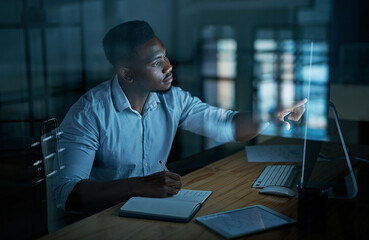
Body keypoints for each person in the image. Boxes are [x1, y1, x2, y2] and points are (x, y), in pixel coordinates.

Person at [55, 20, 306, 213]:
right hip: (107, 220)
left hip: (158, 211)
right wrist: (139, 186)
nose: (168, 66)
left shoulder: (172, 99)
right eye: (156, 62)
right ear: (128, 75)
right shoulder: (88, 113)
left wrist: (269, 115)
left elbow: (227, 126)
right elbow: (67, 192)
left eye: (165, 55)